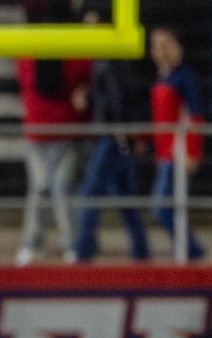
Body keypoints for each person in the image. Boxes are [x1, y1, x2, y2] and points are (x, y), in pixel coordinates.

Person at [72, 1, 150, 264]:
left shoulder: (108, 61)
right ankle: (141, 250)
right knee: (126, 198)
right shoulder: (108, 60)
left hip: (111, 137)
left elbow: (117, 98)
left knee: (91, 193)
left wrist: (119, 130)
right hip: (117, 136)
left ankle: (83, 250)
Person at [16, 0, 92, 266]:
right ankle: (61, 245)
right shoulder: (73, 48)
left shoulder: (32, 48)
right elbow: (83, 82)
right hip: (50, 131)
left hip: (54, 131)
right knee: (53, 189)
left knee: (48, 189)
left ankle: (50, 245)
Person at [150, 26, 206, 261]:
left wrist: (191, 151)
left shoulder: (186, 79)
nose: (162, 52)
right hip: (165, 151)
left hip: (178, 152)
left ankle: (192, 251)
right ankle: (186, 249)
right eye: (157, 47)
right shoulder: (163, 78)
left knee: (163, 206)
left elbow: (195, 118)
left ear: (178, 47)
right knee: (167, 206)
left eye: (167, 45)